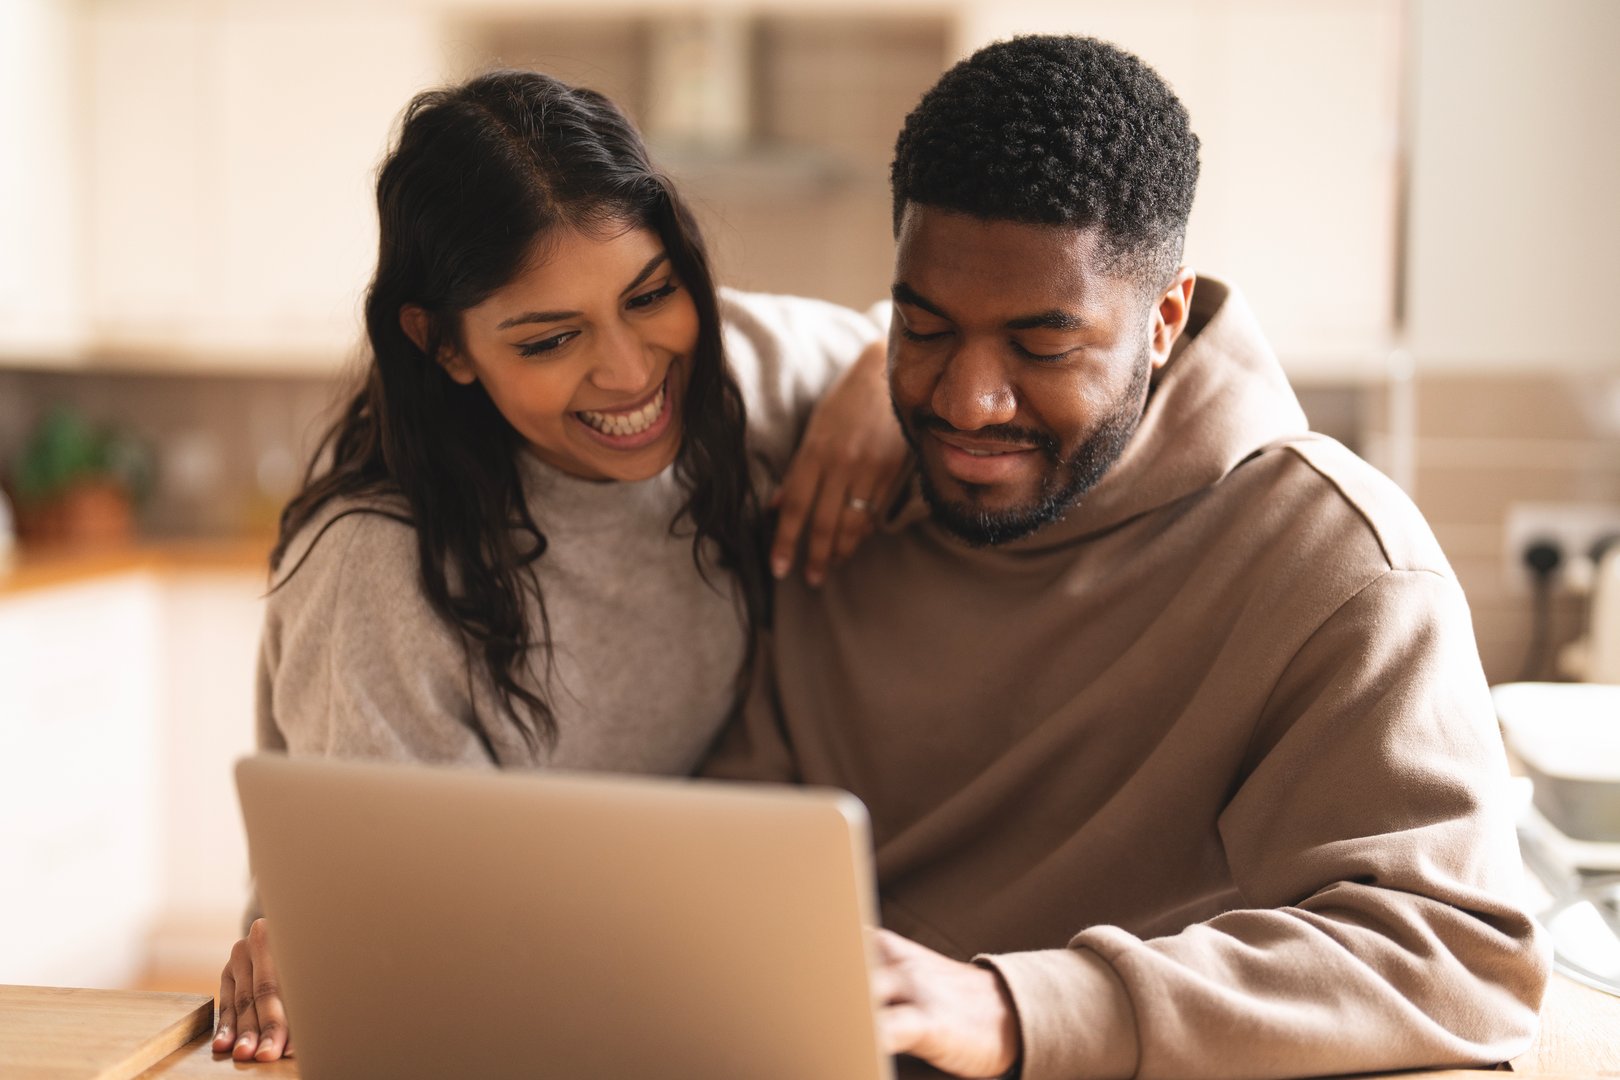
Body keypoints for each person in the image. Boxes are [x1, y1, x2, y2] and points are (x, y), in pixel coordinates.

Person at [704, 34, 1550, 1080]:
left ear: (1162, 322)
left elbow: (1461, 965)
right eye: (925, 328)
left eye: (1042, 348)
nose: (968, 402)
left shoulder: (1337, 564)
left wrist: (1020, 1011)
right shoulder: (837, 479)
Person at [212, 69, 905, 1062]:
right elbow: (400, 941)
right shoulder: (380, 569)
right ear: (441, 345)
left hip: (670, 983)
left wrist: (882, 374)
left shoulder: (737, 371)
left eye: (652, 293)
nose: (630, 372)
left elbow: (922, 337)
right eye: (549, 339)